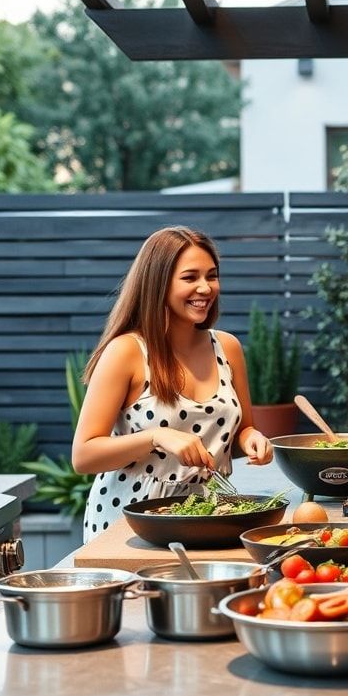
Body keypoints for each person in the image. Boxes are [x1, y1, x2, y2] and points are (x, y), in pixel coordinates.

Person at [72, 226, 273, 541]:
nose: (205, 288)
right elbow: (83, 456)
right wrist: (157, 436)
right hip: (128, 527)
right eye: (190, 278)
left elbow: (242, 429)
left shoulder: (228, 347)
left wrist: (253, 439)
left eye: (212, 276)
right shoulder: (126, 351)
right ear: (158, 283)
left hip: (207, 518)